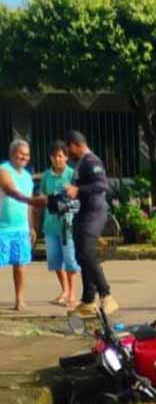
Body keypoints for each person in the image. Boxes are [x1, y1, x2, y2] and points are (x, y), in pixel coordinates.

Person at [64, 131, 119, 317]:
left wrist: (77, 189)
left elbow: (102, 185)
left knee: (87, 254)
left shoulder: (91, 161)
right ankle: (88, 300)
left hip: (95, 214)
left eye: (68, 148)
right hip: (83, 213)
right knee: (80, 255)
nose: (68, 153)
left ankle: (107, 295)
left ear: (74, 145)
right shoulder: (81, 163)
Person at [0, 140, 44, 311]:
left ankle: (19, 299)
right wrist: (32, 200)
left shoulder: (27, 176)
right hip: (2, 228)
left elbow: (29, 206)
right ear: (12, 154)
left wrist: (31, 227)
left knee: (20, 264)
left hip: (21, 228)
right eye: (21, 154)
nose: (24, 158)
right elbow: (10, 190)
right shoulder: (3, 170)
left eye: (27, 155)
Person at [39, 141, 80, 307]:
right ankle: (63, 290)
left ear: (66, 157)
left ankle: (72, 293)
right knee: (55, 260)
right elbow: (42, 194)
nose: (58, 159)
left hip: (68, 225)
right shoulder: (46, 176)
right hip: (50, 225)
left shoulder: (72, 174)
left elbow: (78, 196)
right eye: (55, 156)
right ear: (51, 158)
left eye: (61, 156)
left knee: (70, 259)